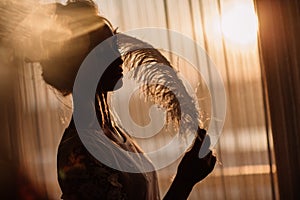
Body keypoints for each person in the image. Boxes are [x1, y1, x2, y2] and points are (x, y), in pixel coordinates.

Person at [26, 1, 216, 199]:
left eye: (115, 45)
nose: (120, 57)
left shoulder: (113, 133)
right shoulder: (79, 152)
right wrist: (185, 180)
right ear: (81, 62)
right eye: (106, 49)